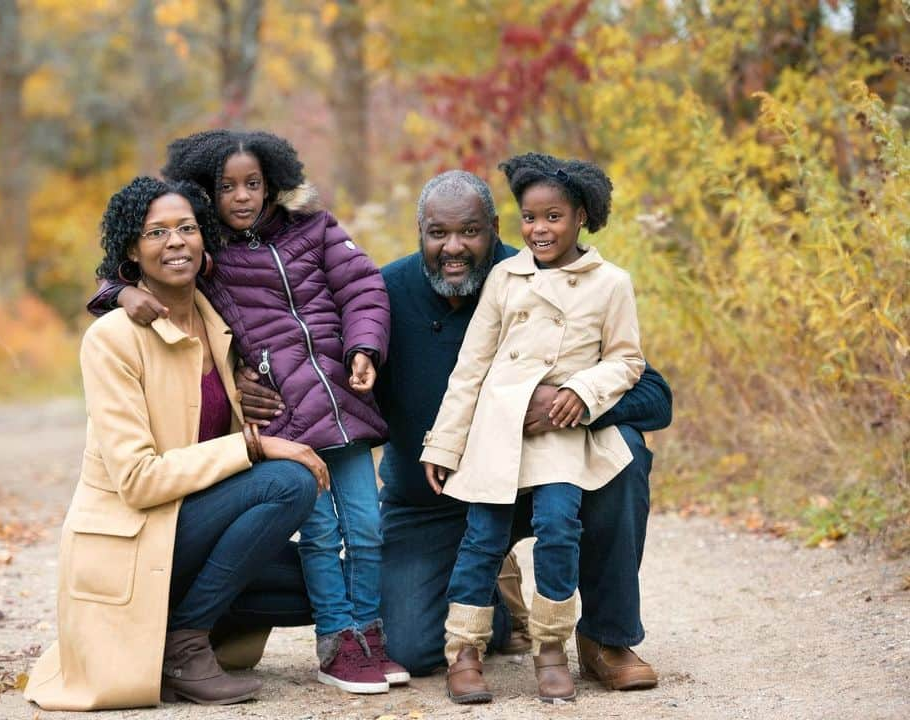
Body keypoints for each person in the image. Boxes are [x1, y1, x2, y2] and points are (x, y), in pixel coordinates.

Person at [237, 168, 672, 696]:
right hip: (430, 499)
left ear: (494, 228)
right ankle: (497, 602)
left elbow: (653, 393)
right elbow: (314, 355)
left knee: (624, 452)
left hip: (536, 477)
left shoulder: (538, 274)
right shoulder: (384, 294)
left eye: (470, 231)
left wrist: (571, 403)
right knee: (411, 646)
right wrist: (251, 381)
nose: (454, 248)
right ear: (419, 231)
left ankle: (607, 638)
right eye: (437, 233)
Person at [86, 130, 408, 694]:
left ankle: (370, 637)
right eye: (227, 186)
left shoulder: (317, 229)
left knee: (366, 526)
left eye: (253, 184)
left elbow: (362, 288)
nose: (242, 197)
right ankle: (337, 642)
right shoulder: (210, 257)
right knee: (318, 531)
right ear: (207, 192)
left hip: (343, 407)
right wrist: (117, 294)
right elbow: (140, 259)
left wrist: (364, 347)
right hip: (283, 418)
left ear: (273, 183)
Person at [25, 177, 327, 710]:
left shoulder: (222, 325)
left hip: (197, 529)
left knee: (325, 583)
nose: (175, 242)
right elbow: (139, 482)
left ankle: (172, 628)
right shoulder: (113, 339)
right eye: (156, 232)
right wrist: (257, 448)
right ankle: (184, 644)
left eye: (187, 228)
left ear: (205, 238)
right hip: (139, 535)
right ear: (132, 251)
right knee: (288, 482)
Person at [422, 154, 643, 704]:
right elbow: (471, 366)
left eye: (553, 218)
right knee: (482, 539)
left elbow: (626, 361)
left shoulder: (611, 283)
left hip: (561, 435)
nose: (540, 230)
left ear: (582, 218)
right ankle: (465, 652)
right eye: (529, 218)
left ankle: (551, 647)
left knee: (559, 527)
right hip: (499, 430)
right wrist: (445, 442)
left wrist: (582, 393)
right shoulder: (505, 276)